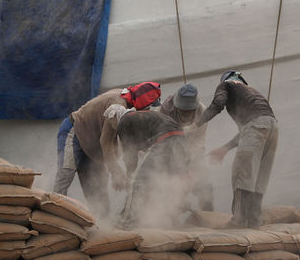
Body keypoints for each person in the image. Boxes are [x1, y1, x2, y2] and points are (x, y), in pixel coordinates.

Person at [53, 82, 161, 219]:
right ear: (143, 102)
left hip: (94, 146)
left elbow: (128, 146)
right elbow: (106, 141)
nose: (149, 109)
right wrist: (115, 171)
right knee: (65, 174)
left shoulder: (130, 103)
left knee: (97, 187)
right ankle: (54, 213)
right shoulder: (117, 107)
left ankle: (100, 222)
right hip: (75, 131)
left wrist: (130, 174)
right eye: (149, 105)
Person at [192, 70, 278, 228]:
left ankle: (238, 220)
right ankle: (254, 220)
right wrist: (225, 148)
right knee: (260, 176)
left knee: (242, 173)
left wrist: (196, 125)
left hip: (256, 126)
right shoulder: (253, 94)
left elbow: (217, 105)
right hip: (273, 127)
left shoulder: (226, 85)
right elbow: (252, 129)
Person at [106, 107, 191, 230]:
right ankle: (170, 219)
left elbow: (129, 153)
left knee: (138, 182)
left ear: (115, 116)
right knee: (165, 181)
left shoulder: (124, 121)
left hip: (165, 140)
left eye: (110, 122)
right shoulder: (141, 117)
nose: (111, 126)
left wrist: (131, 174)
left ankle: (126, 221)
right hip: (180, 139)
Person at [159, 83, 214, 211]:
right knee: (170, 184)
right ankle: (170, 215)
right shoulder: (164, 111)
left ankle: (208, 214)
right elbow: (162, 138)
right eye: (183, 109)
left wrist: (191, 160)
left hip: (193, 149)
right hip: (169, 149)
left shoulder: (203, 112)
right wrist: (179, 166)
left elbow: (200, 138)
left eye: (188, 110)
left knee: (204, 183)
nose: (185, 112)